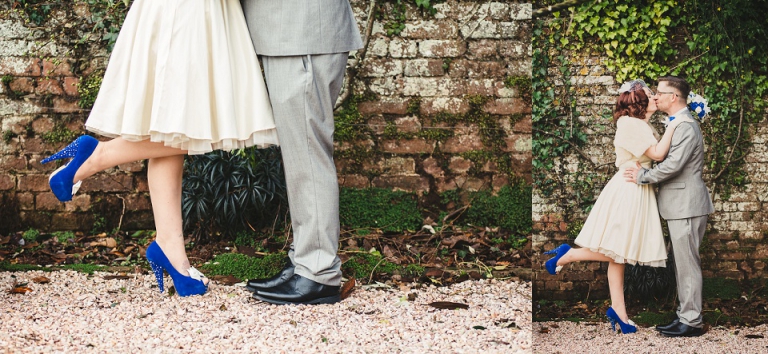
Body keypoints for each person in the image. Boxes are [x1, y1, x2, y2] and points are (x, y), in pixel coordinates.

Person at [41, 0, 279, 297]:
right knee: (184, 120)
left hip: (192, 10)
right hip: (186, 12)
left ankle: (171, 249)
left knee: (174, 127)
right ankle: (96, 156)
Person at [240, 0, 364, 305]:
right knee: (302, 154)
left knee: (308, 154)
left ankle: (318, 271)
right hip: (294, 33)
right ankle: (306, 260)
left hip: (301, 33)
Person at [543, 79, 678, 334]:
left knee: (620, 257)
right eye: (651, 94)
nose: (655, 97)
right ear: (639, 100)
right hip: (629, 190)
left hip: (639, 188)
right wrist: (676, 123)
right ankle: (569, 254)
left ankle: (620, 314)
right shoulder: (628, 123)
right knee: (621, 252)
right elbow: (658, 154)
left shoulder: (641, 124)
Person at [623, 76, 714, 337]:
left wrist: (642, 176)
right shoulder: (679, 123)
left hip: (686, 205)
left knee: (688, 265)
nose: (655, 97)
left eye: (660, 93)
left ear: (674, 97)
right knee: (684, 264)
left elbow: (674, 166)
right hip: (681, 205)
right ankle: (685, 315)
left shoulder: (685, 126)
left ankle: (692, 322)